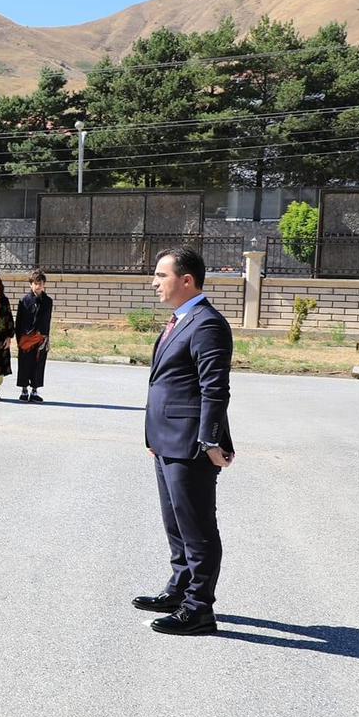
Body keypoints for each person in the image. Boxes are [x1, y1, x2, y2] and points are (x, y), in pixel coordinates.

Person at [136, 245, 234, 636]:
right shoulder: (180, 321)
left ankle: (199, 609)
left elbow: (215, 389)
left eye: (161, 275)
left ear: (186, 280)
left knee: (197, 528)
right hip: (165, 440)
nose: (154, 282)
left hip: (191, 443)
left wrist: (210, 442)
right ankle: (180, 588)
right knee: (175, 524)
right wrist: (152, 435)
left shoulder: (207, 324)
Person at [15, 268, 53, 403]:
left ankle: (35, 390)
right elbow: (19, 321)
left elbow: (47, 320)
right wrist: (19, 339)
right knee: (25, 363)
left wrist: (47, 338)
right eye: (36, 283)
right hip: (26, 338)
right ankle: (24, 390)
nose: (38, 286)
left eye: (41, 283)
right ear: (31, 284)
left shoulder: (48, 301)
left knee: (38, 364)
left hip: (41, 338)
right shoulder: (24, 300)